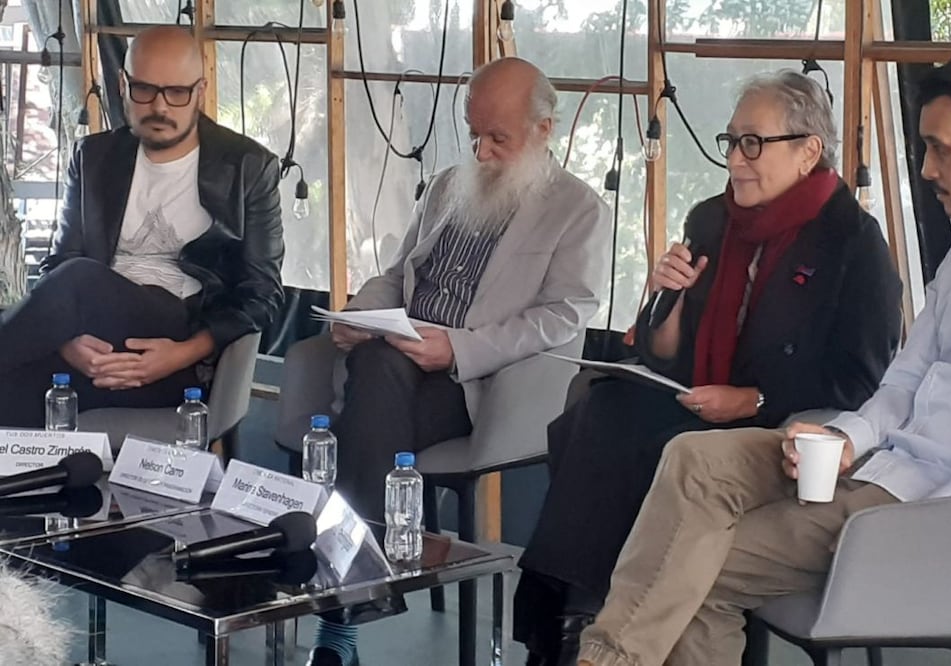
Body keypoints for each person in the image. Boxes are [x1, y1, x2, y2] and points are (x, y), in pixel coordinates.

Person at [575, 49, 951, 666]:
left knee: (691, 566)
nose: (924, 169)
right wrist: (847, 439)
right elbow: (903, 381)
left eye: (940, 148)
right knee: (691, 460)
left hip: (949, 505)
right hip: (880, 464)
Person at [515, 70, 903, 665]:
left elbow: (860, 377)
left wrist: (751, 400)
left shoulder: (853, 242)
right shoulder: (712, 220)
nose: (737, 161)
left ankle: (583, 629)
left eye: (755, 143)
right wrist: (665, 297)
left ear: (808, 152)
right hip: (695, 396)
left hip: (778, 421)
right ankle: (573, 614)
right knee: (599, 409)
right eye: (731, 141)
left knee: (659, 448)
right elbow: (664, 350)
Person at [301, 57, 612, 666]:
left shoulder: (578, 210)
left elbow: (564, 315)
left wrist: (458, 349)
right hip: (396, 359)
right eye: (475, 135)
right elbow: (396, 275)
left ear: (543, 130)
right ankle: (363, 581)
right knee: (376, 368)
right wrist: (358, 315)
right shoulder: (449, 185)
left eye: (500, 137)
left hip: (477, 384)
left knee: (363, 399)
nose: (484, 152)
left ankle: (342, 605)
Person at [0, 25, 284, 426]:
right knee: (15, 396)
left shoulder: (248, 167)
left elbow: (262, 294)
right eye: (145, 90)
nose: (160, 107)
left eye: (177, 93)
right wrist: (65, 344)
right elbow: (57, 264)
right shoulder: (94, 157)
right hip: (94, 345)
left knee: (78, 277)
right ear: (122, 84)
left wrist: (182, 354)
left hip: (178, 350)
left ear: (200, 90)